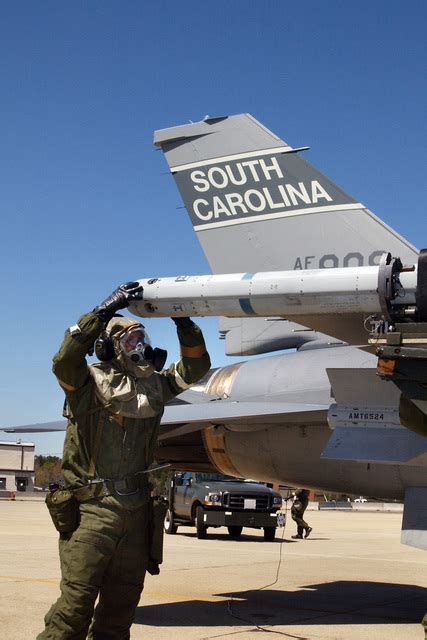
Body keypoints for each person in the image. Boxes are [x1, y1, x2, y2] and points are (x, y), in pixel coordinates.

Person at [37, 282, 211, 640]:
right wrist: (101, 312)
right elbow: (64, 360)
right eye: (130, 341)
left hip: (137, 512)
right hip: (93, 511)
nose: (140, 346)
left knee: (119, 614)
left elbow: (197, 367)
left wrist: (182, 320)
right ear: (110, 349)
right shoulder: (87, 383)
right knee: (73, 611)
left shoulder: (154, 387)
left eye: (141, 337)